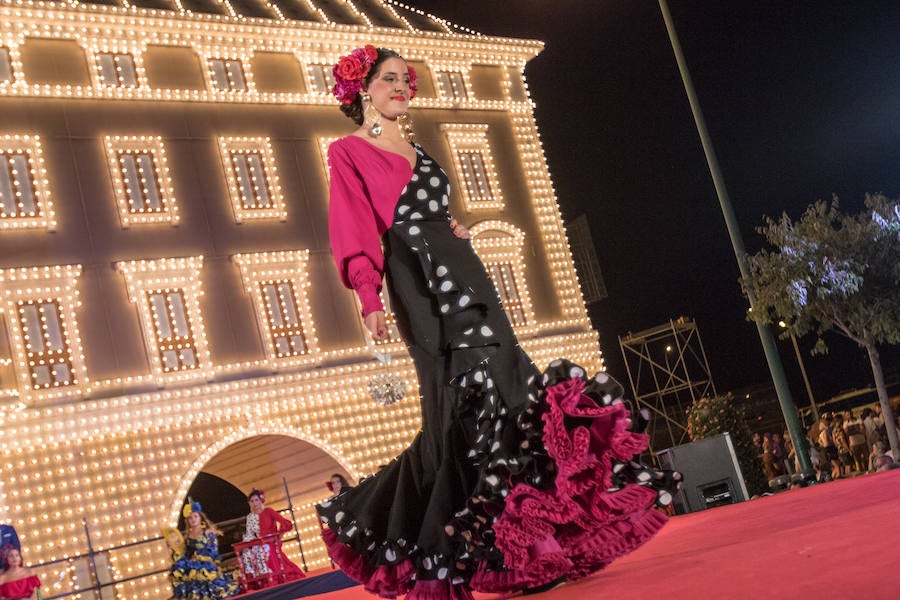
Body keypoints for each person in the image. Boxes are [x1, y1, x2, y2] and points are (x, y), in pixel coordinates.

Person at [315, 45, 679, 600]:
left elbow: (437, 214)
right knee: (467, 404)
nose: (401, 89)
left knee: (511, 391)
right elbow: (354, 228)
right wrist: (369, 299)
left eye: (405, 81)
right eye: (389, 80)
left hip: (469, 278)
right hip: (422, 285)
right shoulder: (348, 153)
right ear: (362, 89)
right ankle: (495, 549)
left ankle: (533, 547)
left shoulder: (418, 148)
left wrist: (456, 229)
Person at [167, 501, 238, 599]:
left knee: (201, 575)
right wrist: (174, 548)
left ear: (200, 517)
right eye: (190, 518)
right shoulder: (187, 537)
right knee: (180, 570)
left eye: (195, 516)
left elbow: (213, 550)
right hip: (192, 566)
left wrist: (199, 558)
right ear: (187, 521)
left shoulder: (208, 533)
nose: (193, 520)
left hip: (206, 566)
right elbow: (184, 553)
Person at [242, 489, 304, 583]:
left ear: (261, 500)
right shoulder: (250, 517)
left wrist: (279, 535)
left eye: (256, 500)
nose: (255, 503)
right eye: (252, 501)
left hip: (271, 541)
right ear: (249, 503)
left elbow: (285, 523)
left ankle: (275, 578)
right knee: (248, 553)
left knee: (266, 550)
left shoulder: (268, 511)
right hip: (258, 543)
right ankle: (260, 580)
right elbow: (249, 534)